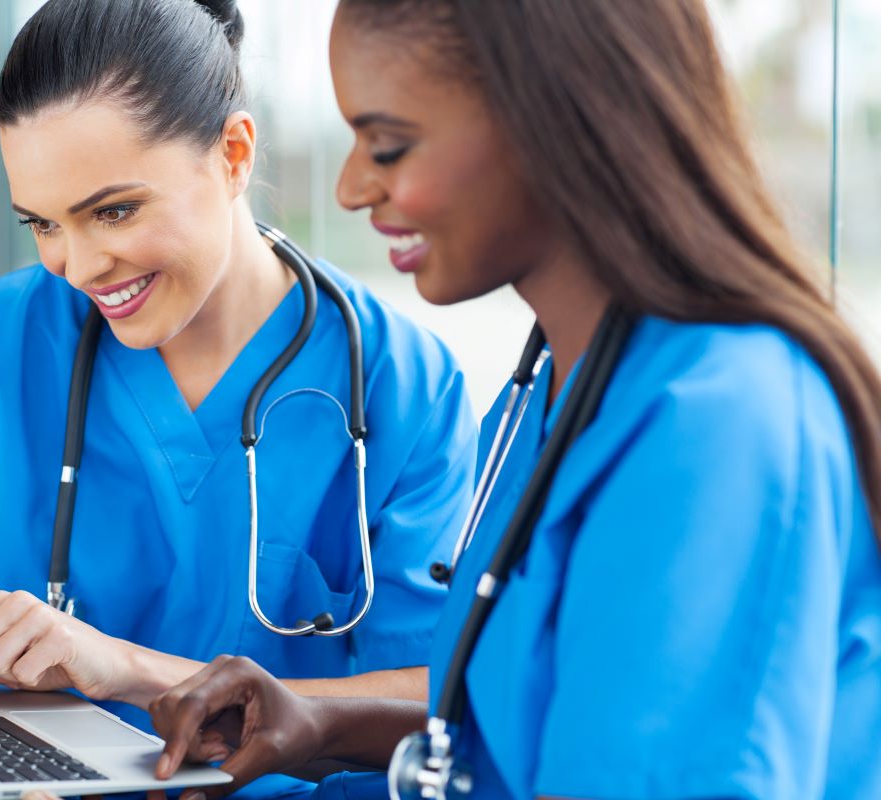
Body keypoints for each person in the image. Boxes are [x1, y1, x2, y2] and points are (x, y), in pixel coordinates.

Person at [0, 1, 479, 797]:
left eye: (114, 211)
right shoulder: (3, 340)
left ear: (233, 154)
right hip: (22, 772)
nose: (78, 264)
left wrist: (129, 671)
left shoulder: (399, 385)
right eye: (42, 223)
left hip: (251, 781)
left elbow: (429, 700)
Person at [134, 2, 881, 800]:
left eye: (389, 145)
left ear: (557, 119)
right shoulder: (550, 389)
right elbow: (529, 733)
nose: (351, 187)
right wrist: (326, 724)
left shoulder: (722, 425)